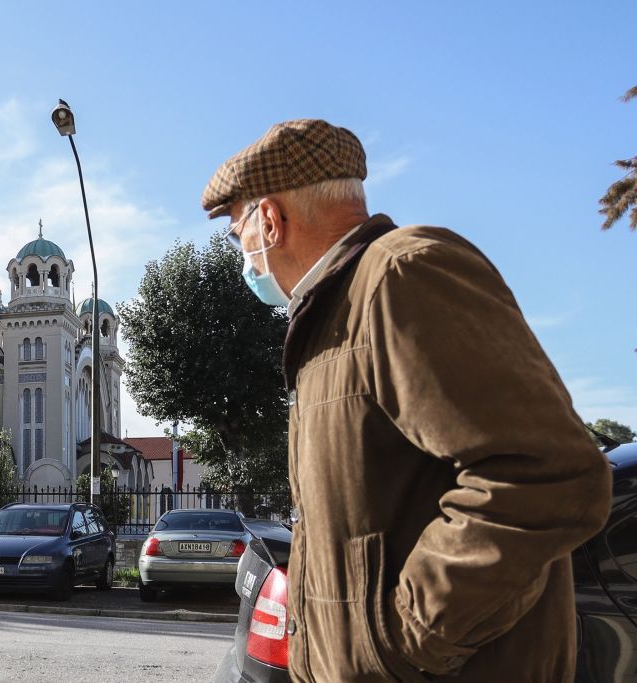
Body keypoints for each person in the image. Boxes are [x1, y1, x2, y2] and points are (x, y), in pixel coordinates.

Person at [202, 119, 611, 682]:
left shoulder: (403, 273)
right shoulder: (334, 312)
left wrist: (404, 643)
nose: (241, 254)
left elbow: (546, 478)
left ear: (269, 220)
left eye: (235, 234)